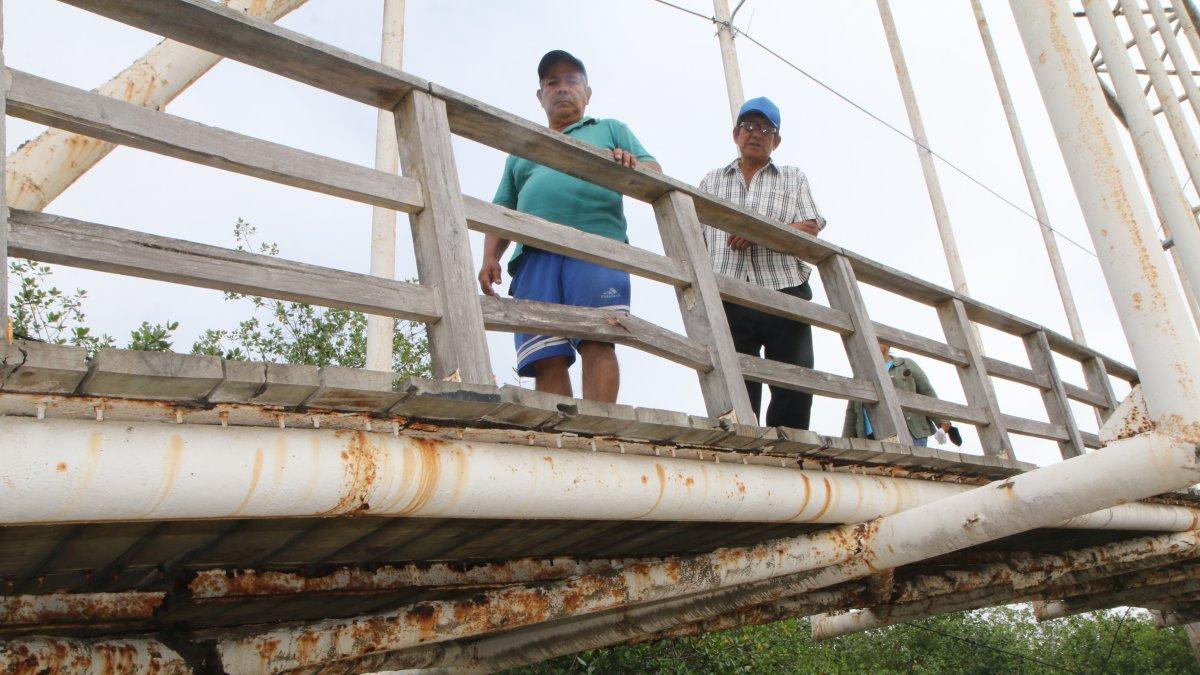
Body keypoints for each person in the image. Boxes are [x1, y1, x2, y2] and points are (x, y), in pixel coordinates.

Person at [478, 50, 660, 403]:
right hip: (534, 257)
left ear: (587, 93)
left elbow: (654, 172)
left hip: (595, 248)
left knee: (598, 337)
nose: (562, 88)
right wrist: (490, 256)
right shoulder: (522, 149)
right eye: (552, 83)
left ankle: (598, 425)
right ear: (540, 96)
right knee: (545, 355)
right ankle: (560, 431)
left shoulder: (609, 129)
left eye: (572, 81)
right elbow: (502, 208)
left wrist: (631, 165)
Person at [697, 96, 825, 429]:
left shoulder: (793, 177)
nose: (756, 133)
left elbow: (810, 227)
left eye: (766, 129)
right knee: (735, 384)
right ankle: (741, 447)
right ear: (736, 134)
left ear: (776, 141)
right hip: (729, 292)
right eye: (749, 126)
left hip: (784, 289)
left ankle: (790, 449)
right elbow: (694, 236)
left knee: (794, 384)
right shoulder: (712, 181)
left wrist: (758, 232)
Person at [842, 343, 951, 446]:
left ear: (888, 344)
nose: (873, 341)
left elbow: (927, 392)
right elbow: (852, 411)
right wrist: (844, 444)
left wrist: (942, 422)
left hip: (909, 431)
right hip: (871, 437)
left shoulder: (906, 364)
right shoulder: (861, 373)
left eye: (878, 338)